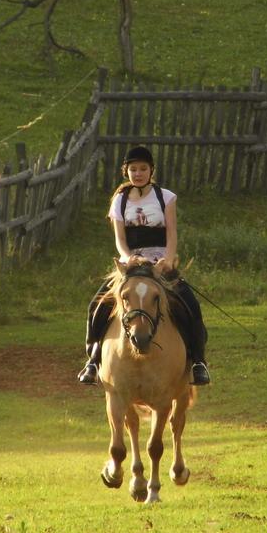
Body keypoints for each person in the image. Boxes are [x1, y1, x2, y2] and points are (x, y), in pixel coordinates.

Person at [77, 145, 211, 386]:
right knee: (95, 306)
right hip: (131, 263)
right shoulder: (119, 200)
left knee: (191, 305)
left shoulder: (166, 197)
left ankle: (199, 362)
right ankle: (93, 361)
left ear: (152, 170)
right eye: (133, 169)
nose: (138, 173)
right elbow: (120, 240)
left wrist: (168, 259)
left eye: (143, 168)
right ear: (125, 171)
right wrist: (128, 258)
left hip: (160, 262)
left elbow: (172, 234)